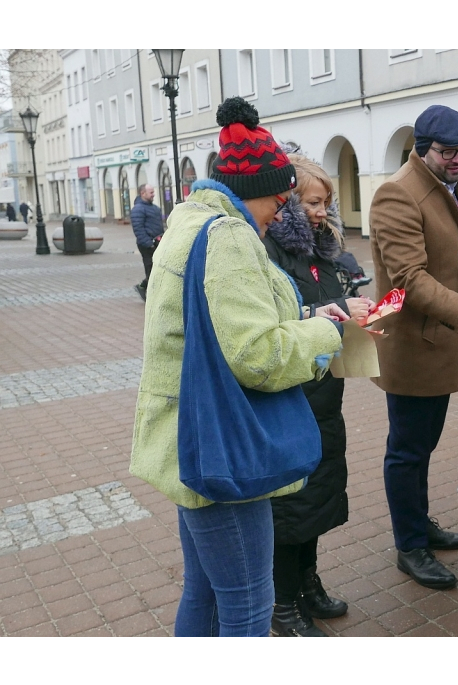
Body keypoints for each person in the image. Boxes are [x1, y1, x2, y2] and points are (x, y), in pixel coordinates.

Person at [130, 97, 349, 637]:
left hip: (189, 435)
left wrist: (304, 313)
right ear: (261, 192)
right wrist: (328, 333)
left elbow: (223, 319)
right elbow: (256, 355)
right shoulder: (228, 237)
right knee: (248, 605)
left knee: (204, 594)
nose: (284, 211)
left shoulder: (190, 219)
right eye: (281, 199)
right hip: (223, 448)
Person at [369, 104, 458, 590]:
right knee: (407, 450)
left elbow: (457, 260)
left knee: (423, 446)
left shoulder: (445, 186)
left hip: (442, 337)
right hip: (413, 346)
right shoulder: (398, 194)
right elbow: (409, 280)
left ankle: (419, 522)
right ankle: (409, 545)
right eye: (448, 151)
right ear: (421, 148)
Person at [261, 153, 374, 637]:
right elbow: (274, 322)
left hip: (324, 395)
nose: (322, 211)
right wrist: (332, 309)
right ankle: (282, 603)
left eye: (326, 202)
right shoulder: (267, 251)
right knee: (289, 509)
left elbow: (325, 306)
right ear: (285, 203)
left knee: (317, 500)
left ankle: (308, 584)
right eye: (312, 202)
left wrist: (358, 316)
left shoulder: (321, 251)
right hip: (289, 397)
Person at [130, 183, 164, 301]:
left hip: (157, 243)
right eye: (151, 192)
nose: (153, 194)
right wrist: (149, 244)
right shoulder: (138, 209)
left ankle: (142, 286)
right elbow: (138, 229)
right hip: (147, 245)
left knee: (158, 268)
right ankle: (152, 296)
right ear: (143, 193)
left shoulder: (154, 208)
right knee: (151, 269)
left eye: (153, 192)